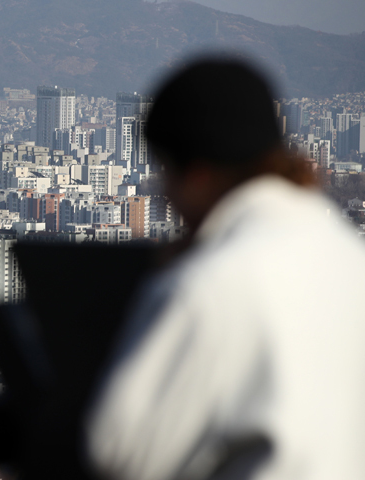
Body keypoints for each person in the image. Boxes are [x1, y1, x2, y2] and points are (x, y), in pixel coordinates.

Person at [85, 58, 365, 480]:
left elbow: (118, 449)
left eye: (166, 173)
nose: (165, 195)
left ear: (197, 176)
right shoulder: (350, 257)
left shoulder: (212, 284)